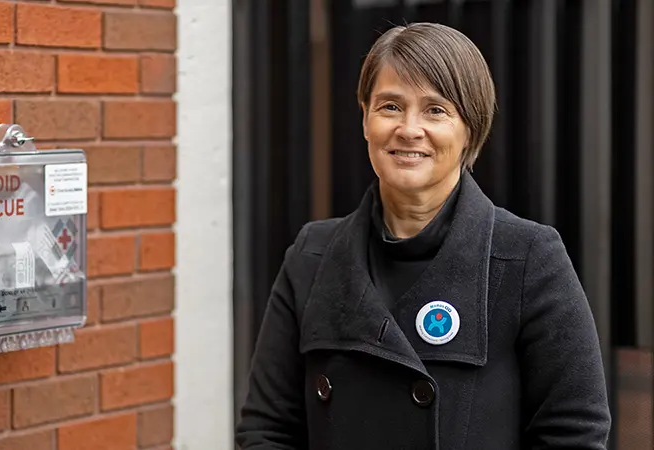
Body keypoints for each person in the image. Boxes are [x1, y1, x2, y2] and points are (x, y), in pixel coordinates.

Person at [235, 22, 611, 449]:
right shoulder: (312, 256)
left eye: (435, 110)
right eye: (390, 106)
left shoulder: (528, 258)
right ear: (365, 118)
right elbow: (266, 431)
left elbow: (574, 434)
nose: (409, 129)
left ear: (470, 127)